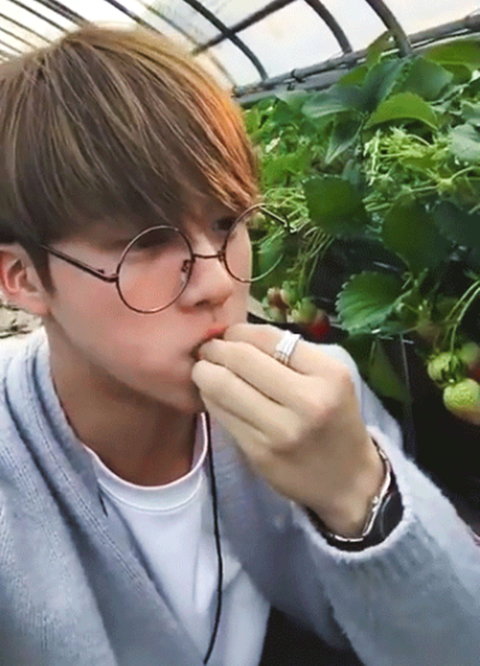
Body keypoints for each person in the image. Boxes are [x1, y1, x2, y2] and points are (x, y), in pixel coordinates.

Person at [0, 24, 478, 666]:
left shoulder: (316, 398)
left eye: (228, 222)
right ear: (23, 278)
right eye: (147, 242)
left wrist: (362, 491)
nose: (218, 282)